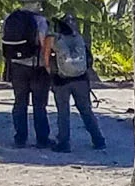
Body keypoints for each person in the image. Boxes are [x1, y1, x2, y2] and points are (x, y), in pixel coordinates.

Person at [45, 12, 105, 152]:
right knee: (86, 111)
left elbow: (46, 59)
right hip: (81, 80)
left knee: (63, 112)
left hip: (61, 81)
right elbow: (89, 60)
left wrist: (51, 74)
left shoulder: (55, 39)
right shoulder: (79, 39)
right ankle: (98, 140)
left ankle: (64, 143)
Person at [0, 0, 49, 149]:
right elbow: (42, 42)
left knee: (20, 103)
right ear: (37, 4)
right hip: (36, 66)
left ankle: (20, 138)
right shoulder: (40, 21)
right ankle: (42, 139)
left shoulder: (10, 18)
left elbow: (4, 40)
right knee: (39, 105)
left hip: (16, 67)